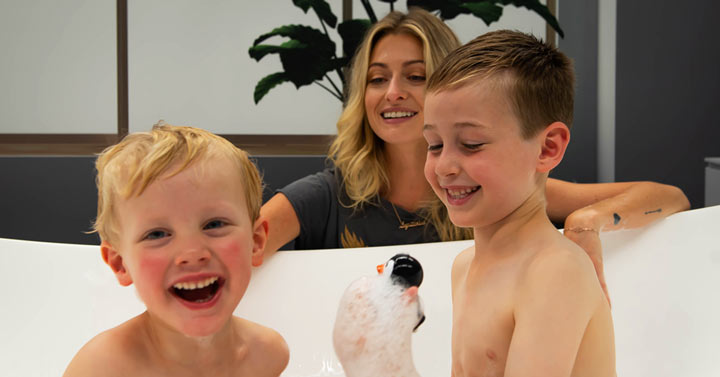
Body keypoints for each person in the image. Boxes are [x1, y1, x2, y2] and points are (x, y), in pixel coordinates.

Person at [261, 9, 690, 301]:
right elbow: (240, 246)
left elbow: (668, 196)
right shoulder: (324, 197)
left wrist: (586, 222)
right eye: (377, 78)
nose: (393, 92)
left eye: (416, 75)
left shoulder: (507, 189)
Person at [423, 30, 614, 376]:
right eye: (434, 144)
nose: (444, 166)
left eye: (471, 143)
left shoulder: (554, 272)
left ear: (547, 148)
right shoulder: (464, 267)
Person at [63, 124, 289, 377]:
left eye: (214, 224)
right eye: (157, 234)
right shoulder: (102, 368)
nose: (192, 253)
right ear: (120, 263)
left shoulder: (268, 355)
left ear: (256, 241)